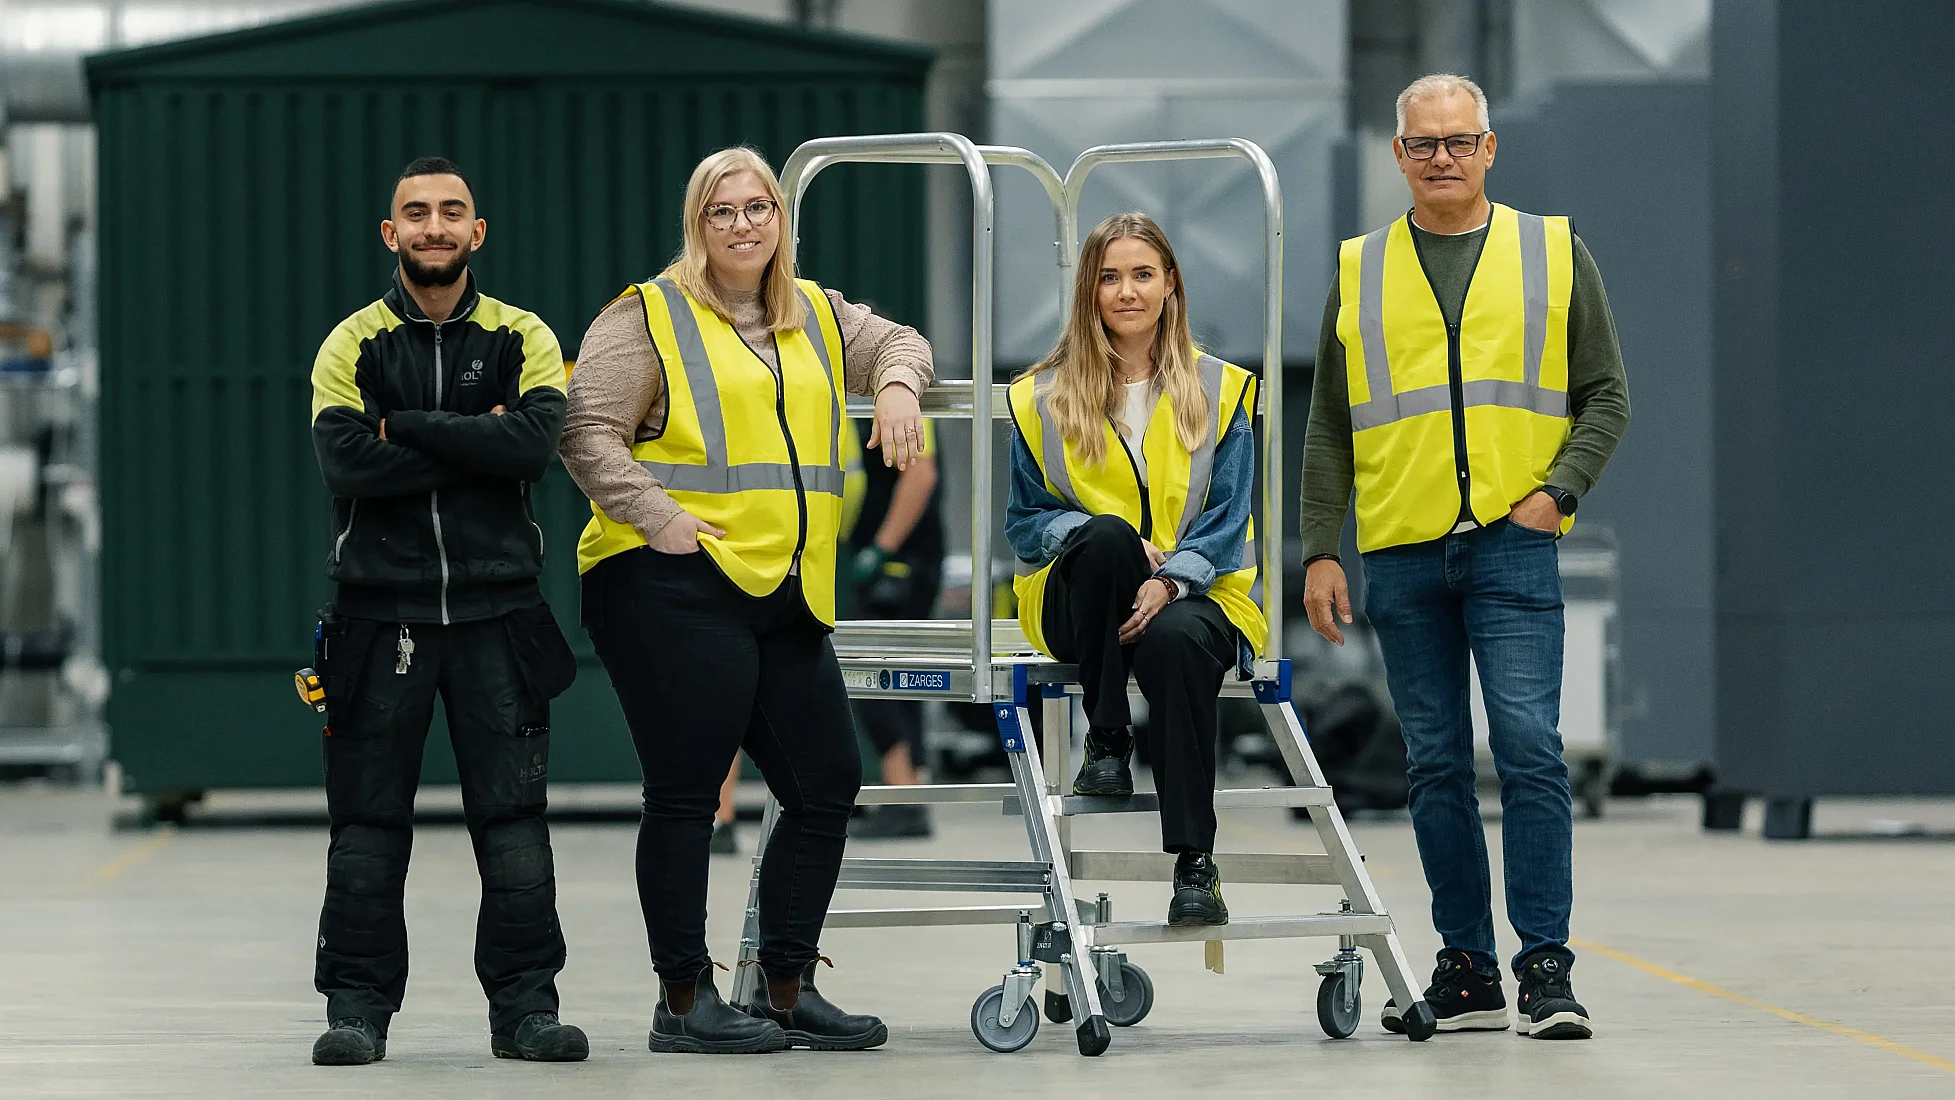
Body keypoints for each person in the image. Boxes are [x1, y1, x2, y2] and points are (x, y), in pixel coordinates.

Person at [559, 146, 931, 1054]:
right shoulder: (644, 315)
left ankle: (784, 987)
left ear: (780, 219)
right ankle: (682, 1004)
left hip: (784, 586)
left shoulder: (811, 313)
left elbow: (899, 341)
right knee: (687, 793)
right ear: (697, 223)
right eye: (720, 210)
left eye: (756, 206)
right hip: (667, 581)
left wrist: (892, 386)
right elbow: (583, 429)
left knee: (826, 781)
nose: (741, 224)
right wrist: (660, 518)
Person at [1300, 74, 1630, 1041]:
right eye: (1421, 143)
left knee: (1528, 752)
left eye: (1458, 140)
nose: (1440, 156)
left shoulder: (1554, 251)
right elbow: (1329, 425)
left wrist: (1554, 495)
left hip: (1510, 548)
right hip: (1400, 553)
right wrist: (1322, 549)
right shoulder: (1360, 269)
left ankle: (1546, 970)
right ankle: (1467, 966)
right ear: (1397, 156)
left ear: (1489, 149)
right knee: (1433, 764)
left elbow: (1605, 394)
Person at [306, 157, 587, 1066]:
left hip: (496, 615)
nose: (434, 226)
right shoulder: (349, 344)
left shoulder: (525, 335)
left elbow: (533, 447)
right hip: (375, 618)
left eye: (452, 212)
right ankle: (355, 1012)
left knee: (512, 826)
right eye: (416, 213)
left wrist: (407, 427)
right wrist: (478, 441)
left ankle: (525, 1014)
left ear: (477, 233)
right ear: (392, 236)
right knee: (366, 825)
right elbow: (347, 464)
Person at [1005, 212, 1264, 927]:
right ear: (1089, 290)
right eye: (1110, 277)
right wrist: (1094, 535)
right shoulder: (1040, 397)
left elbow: (1227, 519)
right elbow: (1023, 521)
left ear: (1170, 283)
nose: (1127, 291)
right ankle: (1109, 734)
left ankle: (1194, 866)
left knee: (1175, 640)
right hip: (1077, 601)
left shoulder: (1222, 388)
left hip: (1197, 597)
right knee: (1110, 534)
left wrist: (1170, 578)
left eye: (1142, 274)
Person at [846, 416, 944, 840]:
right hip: (901, 558)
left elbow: (919, 474)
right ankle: (906, 799)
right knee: (903, 678)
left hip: (900, 563)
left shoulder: (899, 395)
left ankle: (904, 791)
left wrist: (881, 549)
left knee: (869, 673)